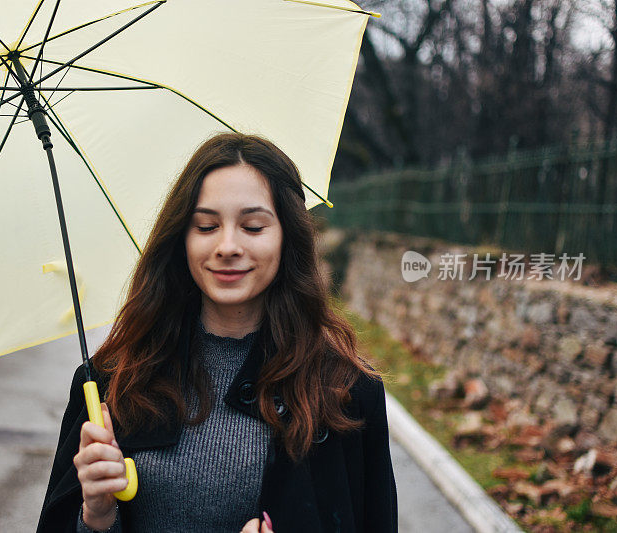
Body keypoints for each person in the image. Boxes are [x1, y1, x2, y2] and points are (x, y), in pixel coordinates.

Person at [36, 133, 397, 533]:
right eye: (207, 226)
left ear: (287, 236)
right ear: (182, 239)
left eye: (253, 226)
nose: (227, 246)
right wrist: (97, 516)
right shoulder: (112, 381)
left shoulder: (343, 391)